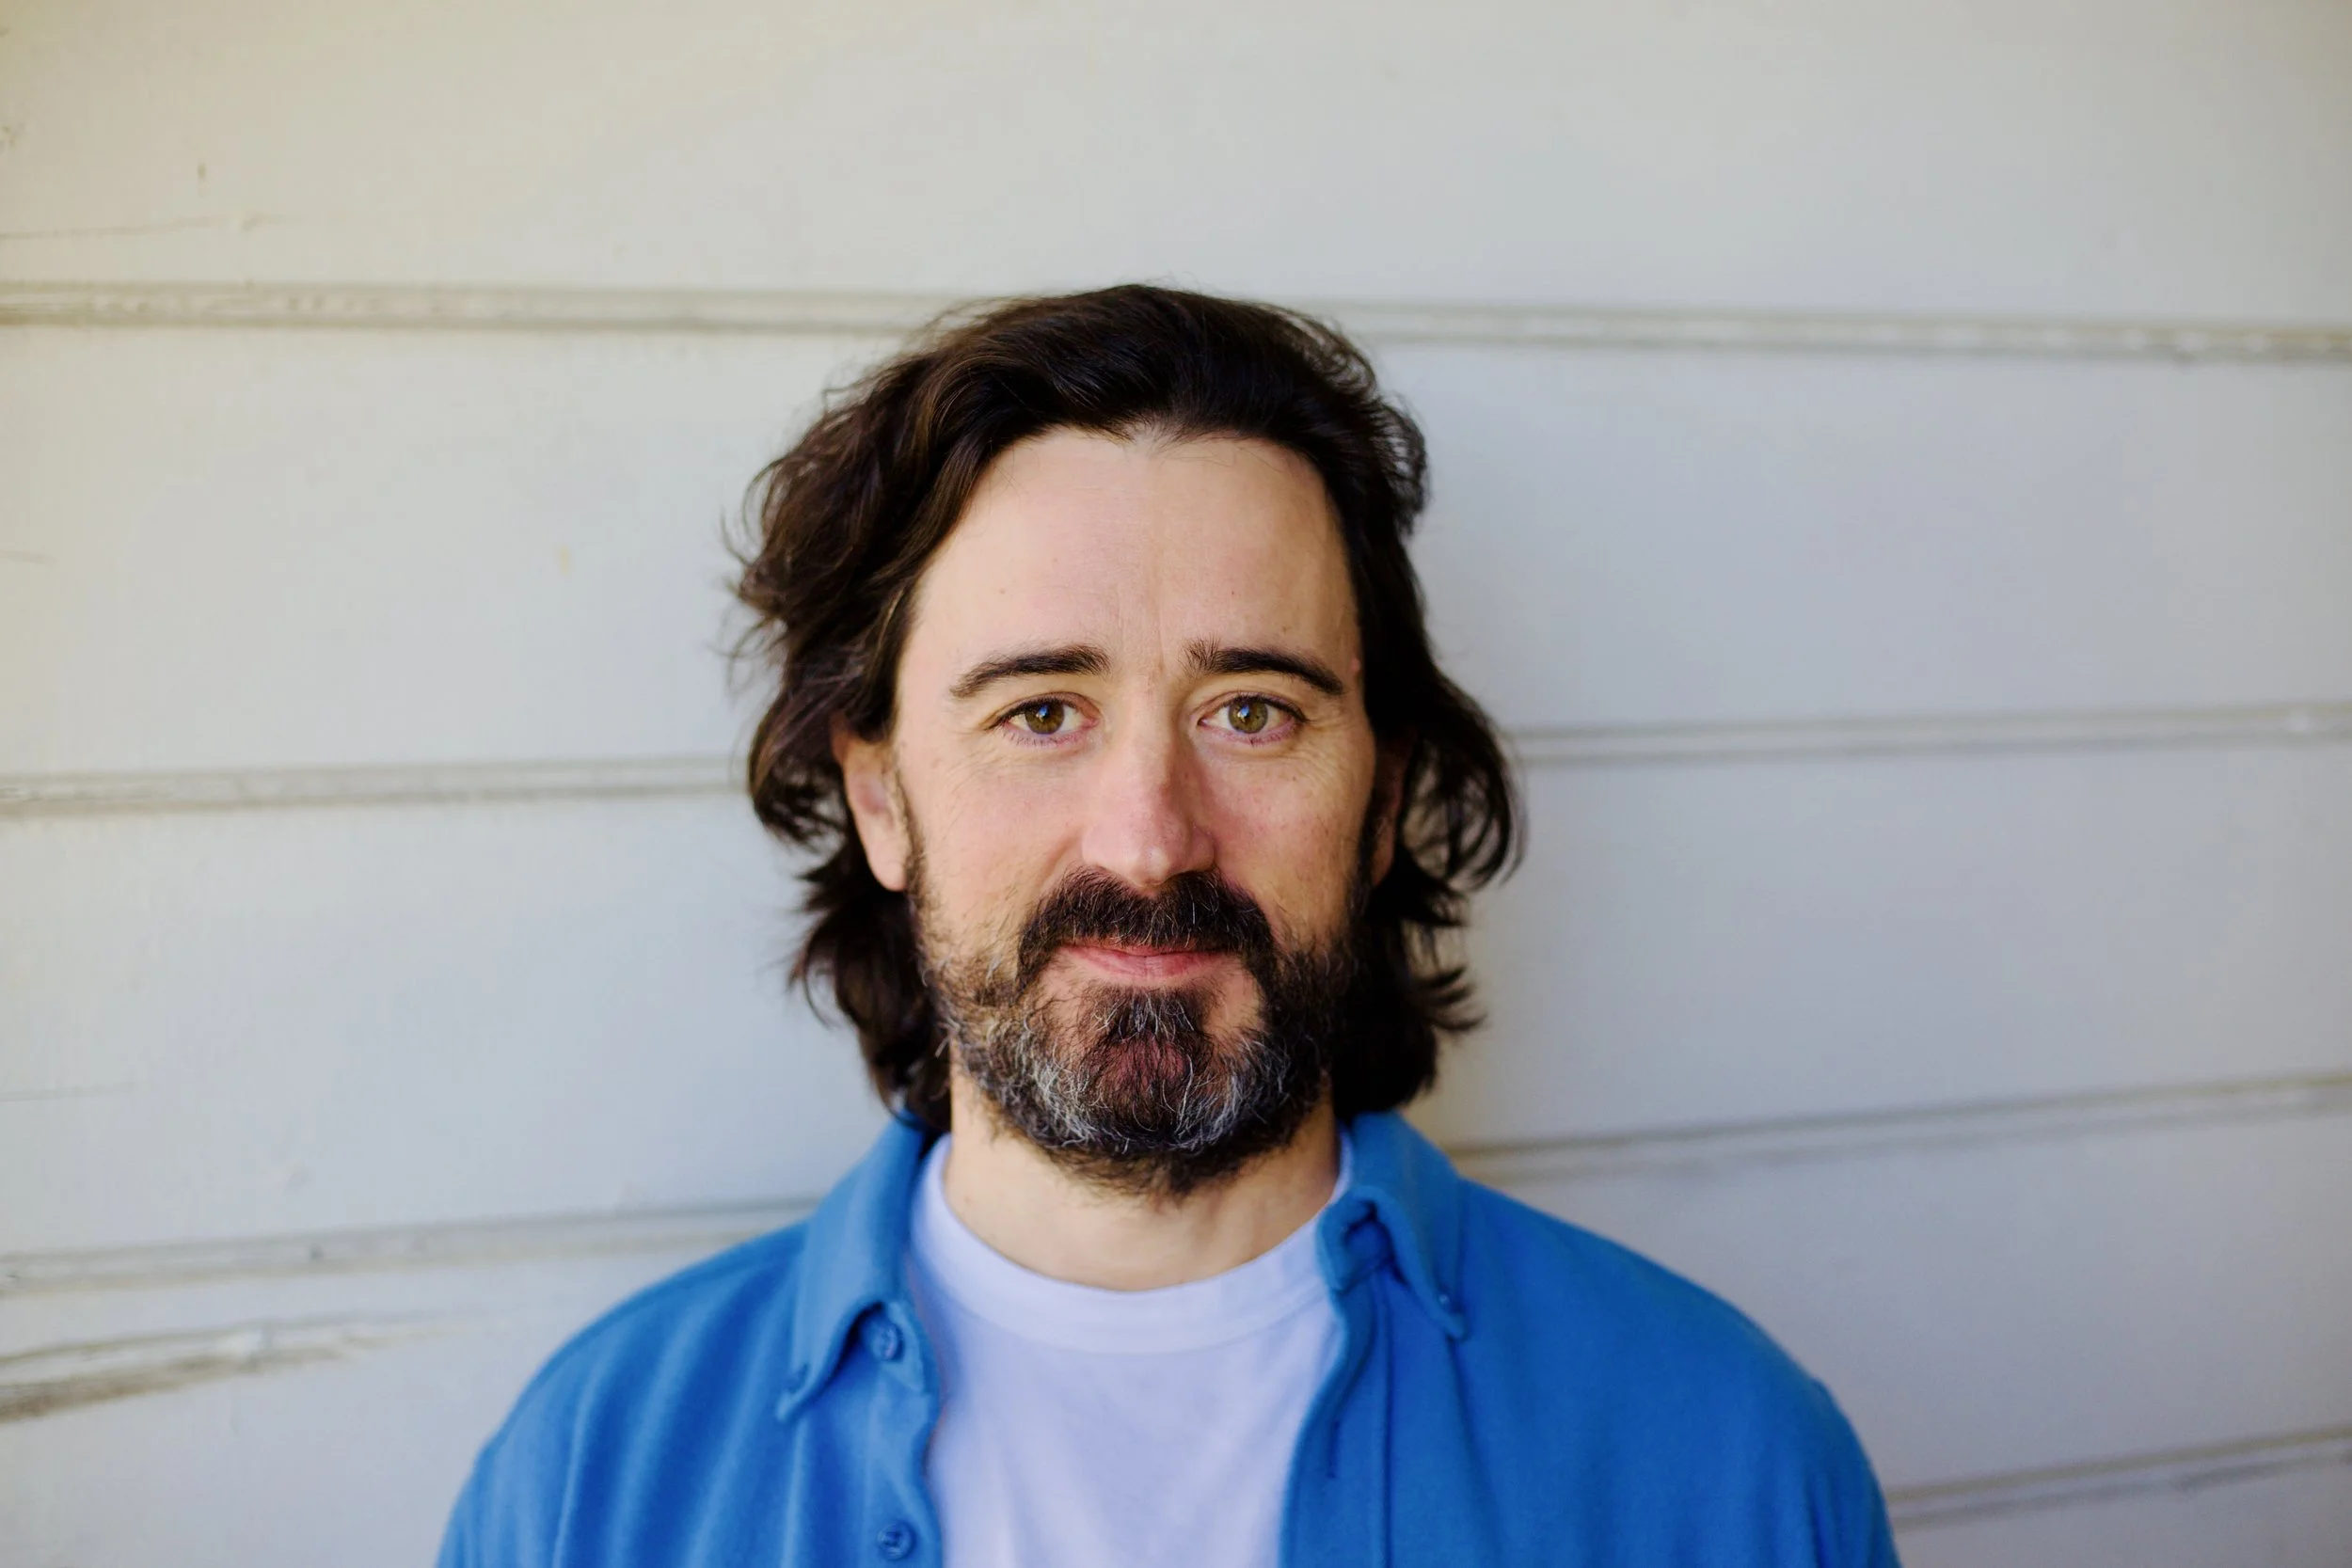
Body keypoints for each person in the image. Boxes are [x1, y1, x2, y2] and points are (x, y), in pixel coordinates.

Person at [437, 284, 1899, 1567]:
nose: (1150, 839)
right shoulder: (594, 1473)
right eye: (1042, 713)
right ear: (881, 799)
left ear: (1382, 802)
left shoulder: (1728, 1456)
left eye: (1252, 712)